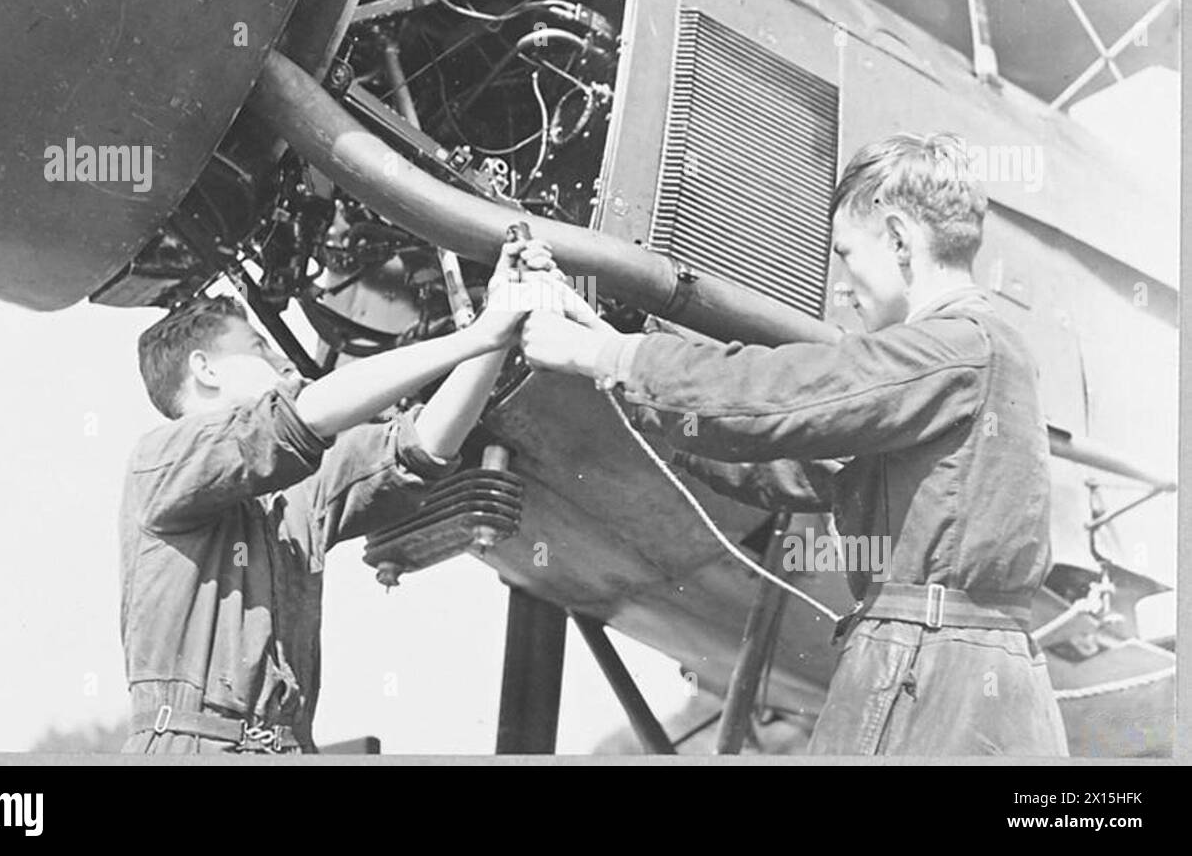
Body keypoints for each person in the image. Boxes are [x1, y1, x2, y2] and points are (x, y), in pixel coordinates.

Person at [520, 132, 1069, 756]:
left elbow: (781, 397)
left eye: (847, 255)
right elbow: (792, 464)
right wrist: (606, 355)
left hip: (929, 671)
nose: (842, 287)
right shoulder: (976, 358)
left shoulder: (956, 349)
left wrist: (611, 354)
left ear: (897, 239)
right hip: (956, 676)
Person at [119, 237, 556, 753]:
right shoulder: (161, 462)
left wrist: (499, 328)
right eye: (260, 348)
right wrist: (475, 335)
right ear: (205, 370)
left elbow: (422, 446)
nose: (287, 364)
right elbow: (296, 420)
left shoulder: (295, 491)